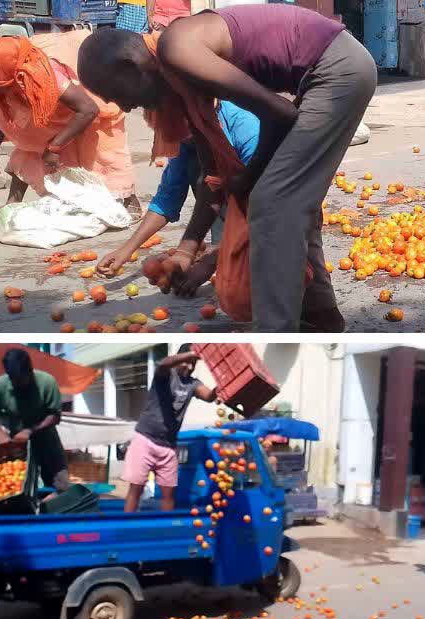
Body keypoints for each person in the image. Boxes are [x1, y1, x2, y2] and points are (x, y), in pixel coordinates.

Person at [78, 6, 377, 332]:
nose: (123, 107)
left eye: (116, 93)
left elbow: (279, 114)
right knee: (289, 204)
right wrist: (187, 251)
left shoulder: (176, 48)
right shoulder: (180, 84)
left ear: (129, 66)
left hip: (337, 69)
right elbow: (214, 178)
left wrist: (246, 181)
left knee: (273, 202)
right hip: (328, 71)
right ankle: (322, 317)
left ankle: (274, 334)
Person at [0, 35, 139, 225]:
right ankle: (12, 205)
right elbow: (5, 118)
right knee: (30, 139)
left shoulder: (46, 74)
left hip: (93, 103)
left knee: (101, 151)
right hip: (64, 107)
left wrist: (54, 147)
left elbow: (89, 110)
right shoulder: (5, 80)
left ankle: (128, 199)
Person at [98, 100, 260, 278]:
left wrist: (214, 258)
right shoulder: (185, 138)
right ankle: (224, 244)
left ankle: (231, 249)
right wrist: (126, 250)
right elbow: (168, 196)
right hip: (235, 205)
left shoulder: (246, 128)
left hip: (264, 214)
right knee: (198, 170)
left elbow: (264, 210)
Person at [123, 347, 217, 512]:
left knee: (168, 494)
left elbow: (209, 396)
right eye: (186, 362)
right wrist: (192, 354)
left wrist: (222, 388)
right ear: (179, 359)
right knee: (136, 489)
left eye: (193, 364)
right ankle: (124, 528)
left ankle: (167, 528)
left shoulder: (193, 384)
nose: (189, 367)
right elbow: (164, 364)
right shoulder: (166, 375)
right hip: (145, 440)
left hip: (168, 447)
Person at [0, 349, 70, 494]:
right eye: (13, 380)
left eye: (21, 379)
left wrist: (30, 430)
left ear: (30, 371)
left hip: (46, 438)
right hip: (15, 443)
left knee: (62, 485)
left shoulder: (47, 382)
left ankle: (53, 509)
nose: (17, 384)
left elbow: (55, 416)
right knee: (14, 487)